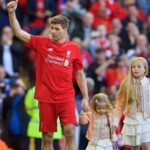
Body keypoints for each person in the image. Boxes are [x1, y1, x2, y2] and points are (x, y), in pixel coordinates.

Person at [6, 1, 89, 150]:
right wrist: (12, 13)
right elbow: (18, 32)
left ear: (65, 30)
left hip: (66, 96)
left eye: (57, 29)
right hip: (46, 97)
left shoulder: (74, 48)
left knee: (70, 132)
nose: (53, 31)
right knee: (48, 136)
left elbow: (80, 73)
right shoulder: (42, 42)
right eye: (51, 28)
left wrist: (85, 97)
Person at [114, 57, 150, 150]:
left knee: (147, 146)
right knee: (135, 147)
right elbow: (119, 105)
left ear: (145, 69)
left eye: (139, 67)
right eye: (133, 67)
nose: (136, 69)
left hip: (146, 119)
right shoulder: (126, 84)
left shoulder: (148, 83)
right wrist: (114, 122)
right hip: (132, 120)